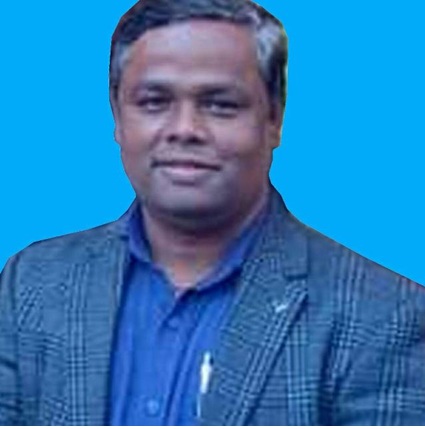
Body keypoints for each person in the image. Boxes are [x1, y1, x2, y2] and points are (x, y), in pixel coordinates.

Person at [1, 0, 425, 425]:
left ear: (275, 118)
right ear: (117, 115)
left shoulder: (383, 315)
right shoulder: (32, 282)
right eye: (154, 101)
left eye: (220, 104)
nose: (185, 129)